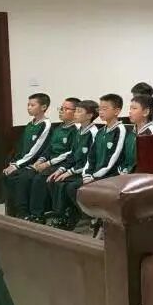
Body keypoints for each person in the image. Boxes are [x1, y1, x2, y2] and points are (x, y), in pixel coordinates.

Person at [59, 94, 127, 235]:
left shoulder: (120, 130)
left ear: (117, 111)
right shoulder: (101, 131)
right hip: (94, 173)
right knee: (71, 187)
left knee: (75, 186)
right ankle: (89, 217)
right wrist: (87, 173)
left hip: (110, 174)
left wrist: (94, 176)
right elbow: (91, 156)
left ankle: (94, 218)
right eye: (100, 109)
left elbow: (113, 159)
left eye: (105, 109)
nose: (101, 112)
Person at [17, 98, 80, 223]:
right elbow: (49, 148)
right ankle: (24, 212)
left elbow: (70, 152)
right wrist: (40, 160)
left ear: (76, 111)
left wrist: (48, 163)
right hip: (50, 162)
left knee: (39, 179)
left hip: (63, 163)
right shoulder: (58, 128)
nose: (61, 111)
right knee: (26, 174)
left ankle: (38, 215)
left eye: (66, 109)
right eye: (61, 108)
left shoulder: (76, 129)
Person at [46, 100, 99, 230]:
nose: (75, 114)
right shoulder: (79, 130)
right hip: (76, 169)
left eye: (79, 111)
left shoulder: (93, 132)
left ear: (89, 115)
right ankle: (63, 215)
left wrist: (70, 172)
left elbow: (90, 159)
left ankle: (80, 216)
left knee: (68, 186)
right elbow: (72, 154)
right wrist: (61, 170)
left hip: (86, 170)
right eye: (75, 111)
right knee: (54, 179)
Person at [2, 93, 52, 218]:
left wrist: (17, 165)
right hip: (23, 161)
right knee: (6, 175)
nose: (29, 107)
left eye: (32, 105)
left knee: (22, 177)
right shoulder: (30, 124)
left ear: (43, 107)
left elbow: (36, 150)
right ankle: (12, 210)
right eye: (28, 105)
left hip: (35, 163)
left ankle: (23, 212)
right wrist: (13, 162)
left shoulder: (46, 125)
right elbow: (21, 147)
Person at [119, 95, 153, 176]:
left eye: (134, 108)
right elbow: (124, 157)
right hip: (126, 174)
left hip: (142, 176)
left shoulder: (152, 135)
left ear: (146, 112)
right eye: (130, 108)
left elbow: (150, 164)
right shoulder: (131, 132)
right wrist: (123, 169)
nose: (130, 111)